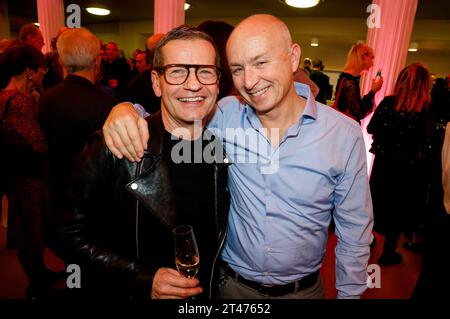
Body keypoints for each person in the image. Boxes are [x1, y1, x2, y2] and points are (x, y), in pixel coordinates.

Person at [102, 15, 373, 299]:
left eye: (260, 62)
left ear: (293, 57)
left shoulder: (343, 135)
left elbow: (355, 234)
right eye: (238, 69)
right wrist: (127, 109)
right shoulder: (225, 115)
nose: (250, 81)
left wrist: (349, 296)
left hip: (303, 292)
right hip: (230, 288)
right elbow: (174, 115)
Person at [54, 26, 230, 300]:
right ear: (156, 82)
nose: (194, 84)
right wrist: (141, 278)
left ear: (218, 82)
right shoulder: (113, 145)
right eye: (177, 71)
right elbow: (66, 234)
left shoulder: (228, 148)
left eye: (205, 71)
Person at [38, 27, 118, 247]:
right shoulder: (105, 102)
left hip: (60, 189)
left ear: (61, 61)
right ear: (97, 61)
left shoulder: (46, 99)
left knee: (71, 254)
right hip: (97, 198)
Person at [0, 40, 57, 299]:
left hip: (16, 175)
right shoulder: (20, 102)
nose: (44, 72)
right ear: (28, 71)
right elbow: (41, 143)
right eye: (40, 68)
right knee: (34, 233)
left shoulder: (5, 96)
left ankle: (40, 274)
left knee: (28, 231)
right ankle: (36, 285)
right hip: (30, 178)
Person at [368, 63, 432, 266]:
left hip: (385, 166)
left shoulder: (388, 103)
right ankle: (388, 252)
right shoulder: (427, 110)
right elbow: (428, 143)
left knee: (376, 205)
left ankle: (364, 243)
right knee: (398, 209)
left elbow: (371, 128)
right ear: (424, 85)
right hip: (410, 170)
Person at [334, 43, 383, 123]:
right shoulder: (349, 81)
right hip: (345, 127)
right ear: (363, 57)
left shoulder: (348, 78)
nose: (372, 63)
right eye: (371, 58)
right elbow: (359, 112)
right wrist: (373, 91)